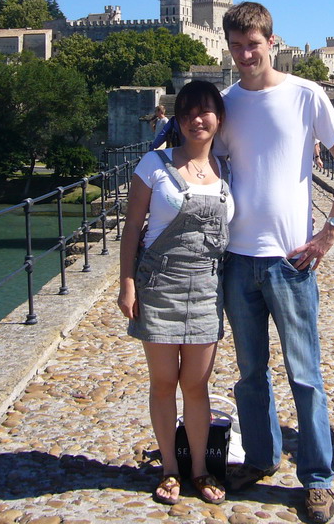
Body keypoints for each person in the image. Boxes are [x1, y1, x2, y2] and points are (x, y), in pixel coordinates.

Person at [216, 2, 334, 524]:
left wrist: (330, 231)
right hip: (238, 259)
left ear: (271, 42)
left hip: (292, 261)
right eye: (235, 46)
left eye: (252, 44)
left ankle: (318, 479)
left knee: (306, 374)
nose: (244, 55)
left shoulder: (306, 94)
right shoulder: (226, 104)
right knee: (251, 373)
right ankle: (259, 458)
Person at [118, 80, 234, 506]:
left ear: (219, 119)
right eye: (187, 113)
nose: (196, 120)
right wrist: (126, 283)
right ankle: (170, 468)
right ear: (178, 120)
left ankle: (200, 469)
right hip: (160, 285)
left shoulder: (227, 169)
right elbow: (132, 227)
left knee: (198, 386)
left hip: (206, 287)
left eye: (205, 112)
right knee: (164, 383)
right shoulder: (154, 163)